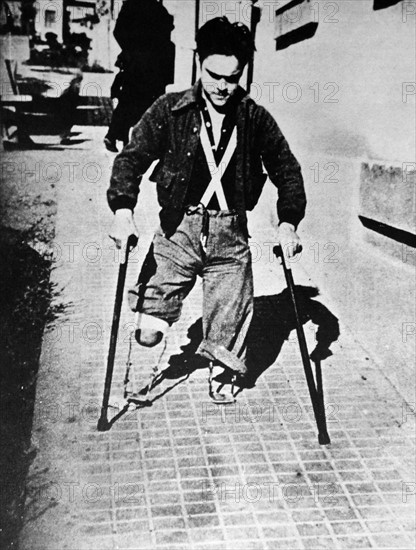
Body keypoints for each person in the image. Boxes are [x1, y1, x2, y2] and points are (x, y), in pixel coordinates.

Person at [107, 17, 306, 402]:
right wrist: (122, 210)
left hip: (230, 237)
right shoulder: (170, 109)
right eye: (213, 74)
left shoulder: (255, 117)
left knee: (228, 337)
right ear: (199, 63)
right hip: (178, 231)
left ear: (242, 73)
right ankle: (148, 362)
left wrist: (288, 223)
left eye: (231, 78)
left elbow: (287, 169)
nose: (221, 86)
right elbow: (131, 159)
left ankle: (222, 366)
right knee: (148, 329)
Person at [104, 0, 175, 152]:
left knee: (127, 100)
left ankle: (116, 134)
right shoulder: (158, 9)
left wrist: (130, 50)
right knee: (152, 104)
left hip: (135, 64)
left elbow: (118, 32)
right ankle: (143, 142)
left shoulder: (130, 5)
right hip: (154, 67)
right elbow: (167, 33)